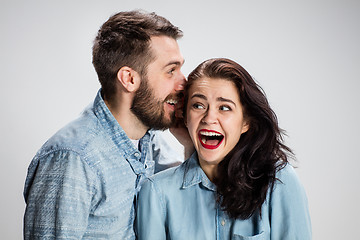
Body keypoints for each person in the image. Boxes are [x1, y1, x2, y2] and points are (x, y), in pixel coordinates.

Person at [23, 10, 190, 239]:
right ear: (129, 79)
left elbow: (190, 196)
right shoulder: (72, 159)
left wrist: (189, 143)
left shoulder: (148, 141)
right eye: (171, 70)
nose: (185, 82)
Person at [136, 58, 312, 239]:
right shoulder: (156, 192)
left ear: (246, 122)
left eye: (224, 107)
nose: (209, 118)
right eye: (198, 105)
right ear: (185, 116)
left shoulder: (279, 182)